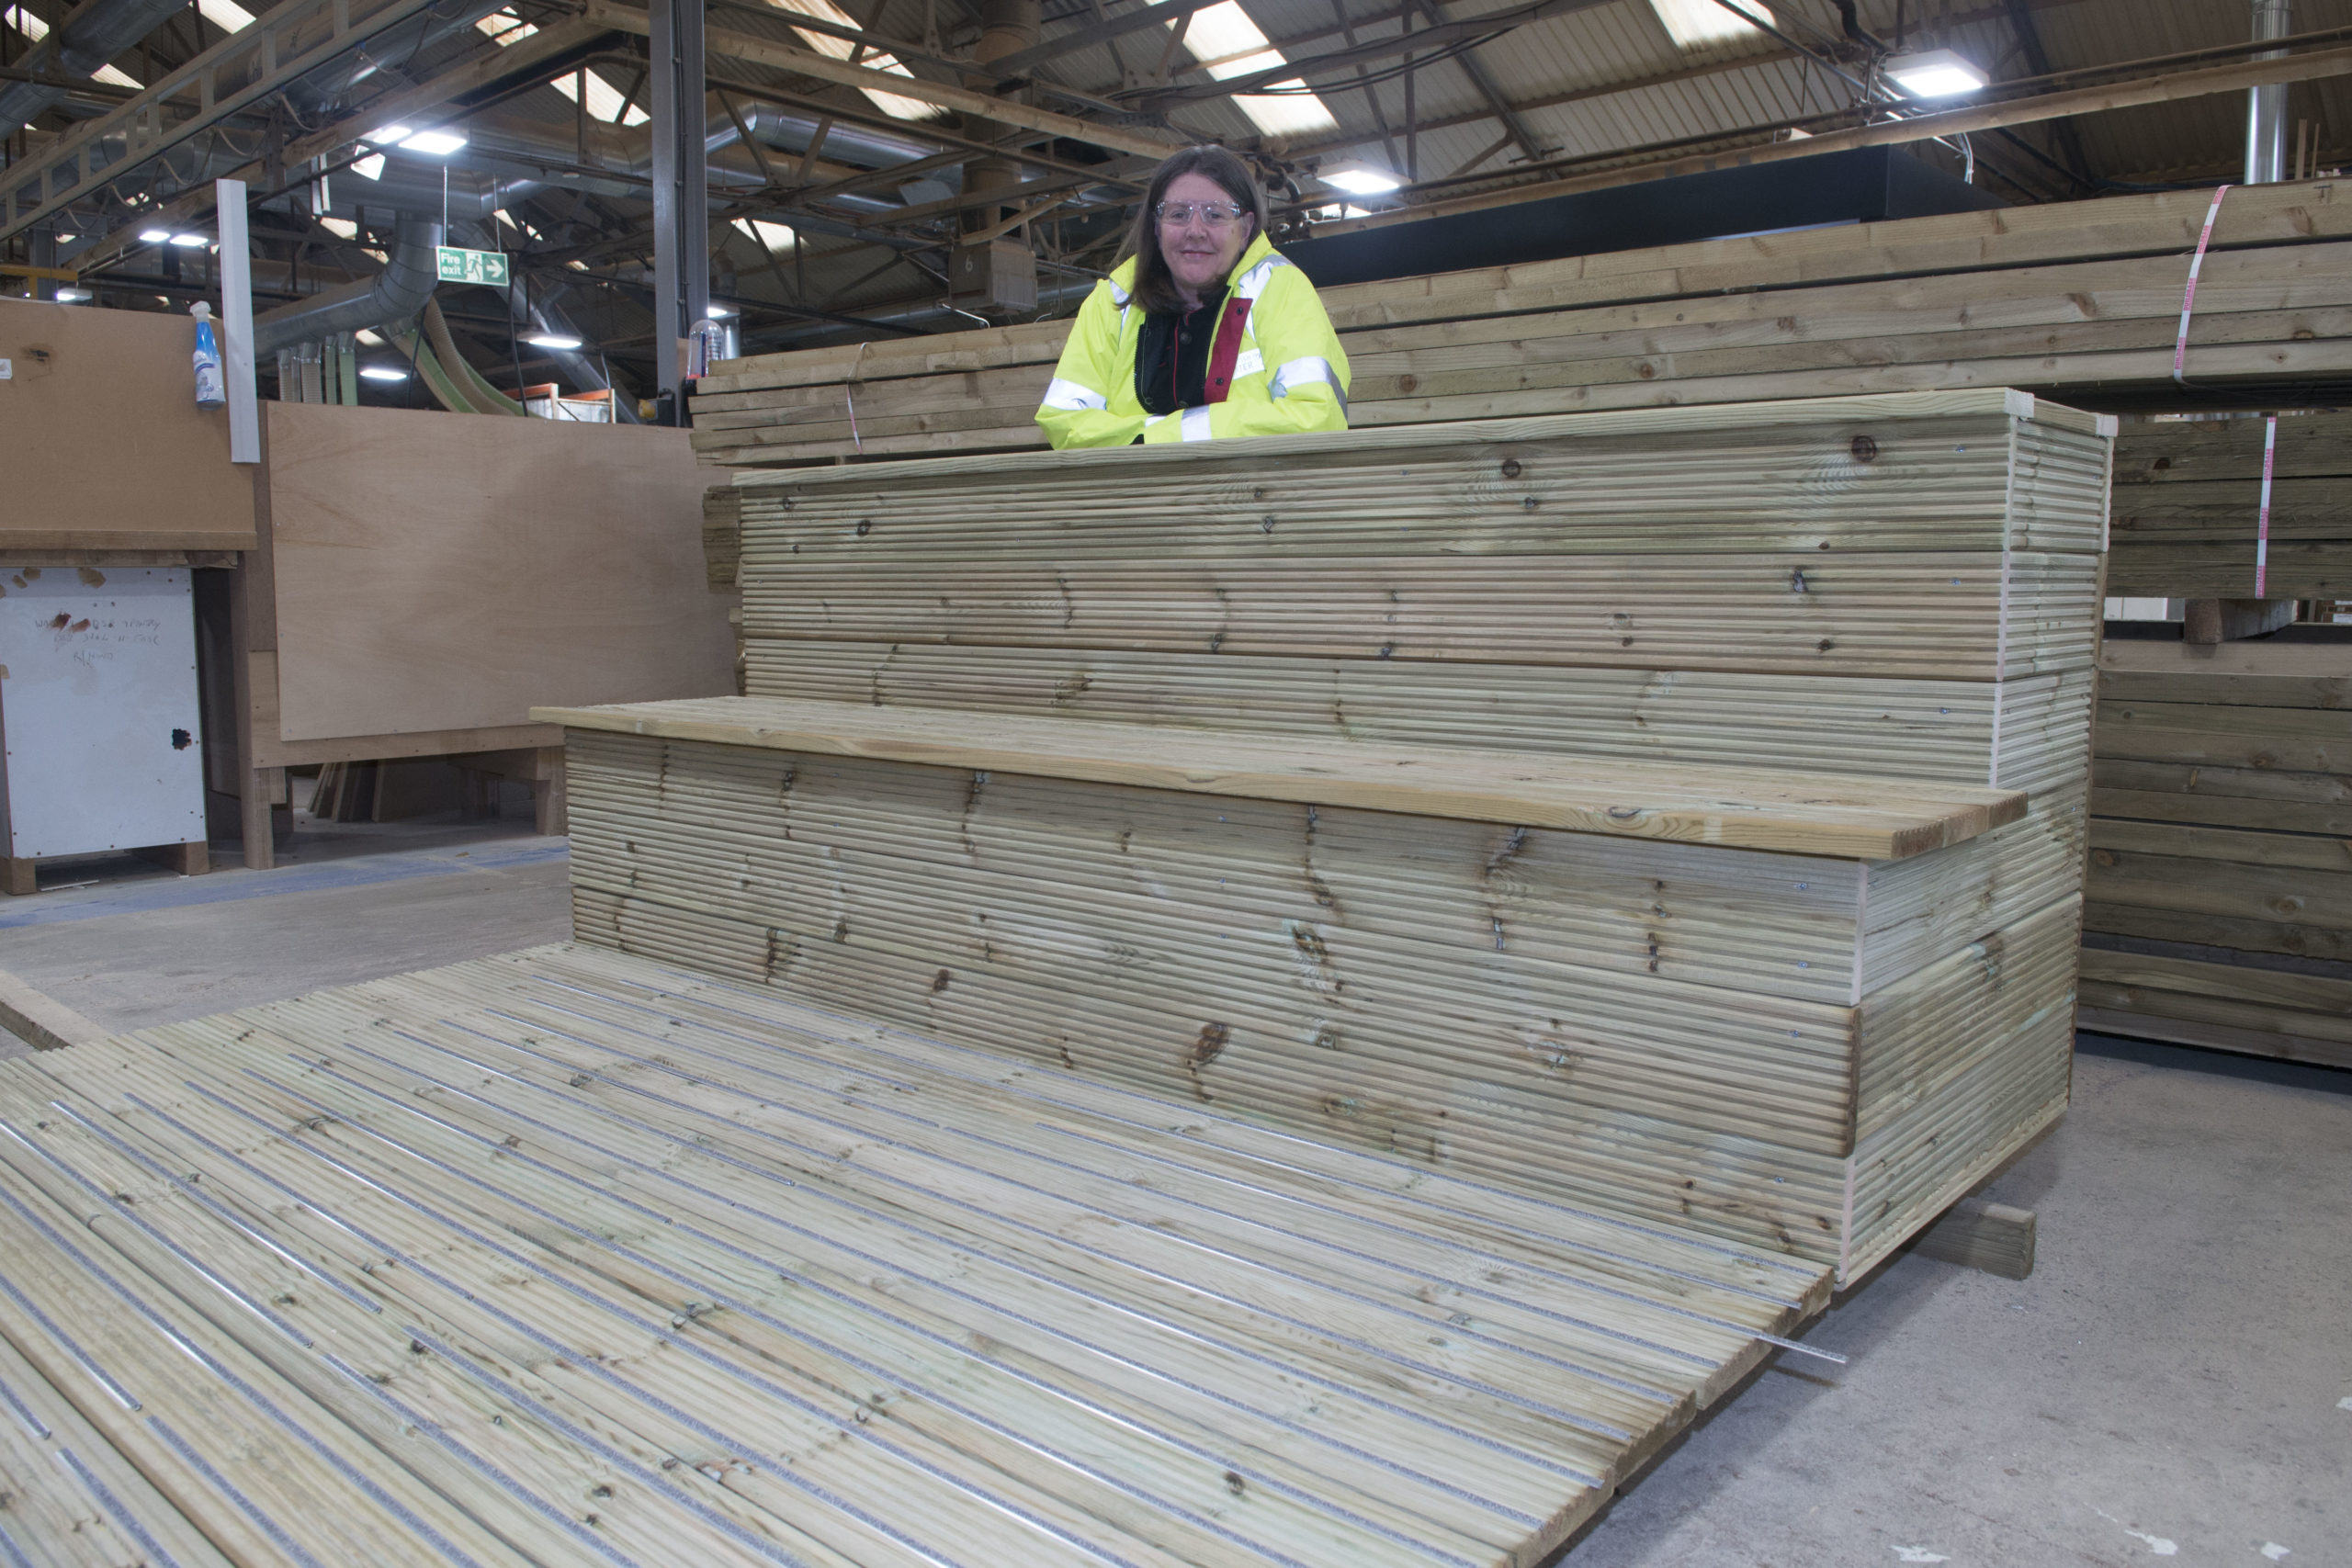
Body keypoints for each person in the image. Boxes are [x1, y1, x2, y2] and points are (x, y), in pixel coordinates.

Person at [1035, 145, 1350, 448]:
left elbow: (1317, 418)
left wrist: (1157, 437)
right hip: (1134, 497)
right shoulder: (1114, 301)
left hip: (1257, 496)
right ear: (1156, 228)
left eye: (1215, 215)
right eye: (1178, 214)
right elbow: (1064, 421)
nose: (1195, 230)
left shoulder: (1279, 289)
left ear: (1245, 228)